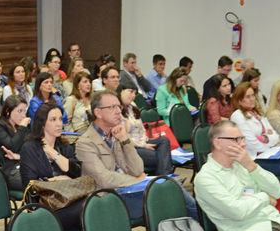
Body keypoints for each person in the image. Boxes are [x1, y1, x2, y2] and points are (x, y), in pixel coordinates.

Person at [76, 90, 198, 224]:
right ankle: (202, 224)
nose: (118, 111)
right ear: (98, 112)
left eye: (118, 107)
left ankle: (196, 227)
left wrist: (125, 141)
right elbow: (105, 179)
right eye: (112, 107)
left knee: (171, 188)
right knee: (169, 192)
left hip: (129, 190)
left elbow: (137, 170)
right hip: (108, 200)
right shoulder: (85, 143)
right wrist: (136, 181)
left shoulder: (117, 134)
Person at [19, 103, 83, 229]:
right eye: (53, 120)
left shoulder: (64, 146)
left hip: (69, 201)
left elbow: (77, 173)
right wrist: (59, 180)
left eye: (60, 119)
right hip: (44, 208)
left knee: (94, 205)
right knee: (89, 208)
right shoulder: (29, 148)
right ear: (42, 123)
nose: (59, 124)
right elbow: (30, 187)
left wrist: (52, 153)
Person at [229, 83, 280, 189]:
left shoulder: (258, 113)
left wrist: (264, 138)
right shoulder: (237, 116)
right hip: (252, 159)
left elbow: (275, 137)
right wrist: (267, 140)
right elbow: (250, 143)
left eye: (253, 95)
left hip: (267, 155)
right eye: (247, 97)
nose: (252, 99)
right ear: (239, 100)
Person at [119, 84, 173, 177]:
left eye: (135, 93)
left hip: (142, 142)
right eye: (131, 92)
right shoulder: (117, 112)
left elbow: (142, 129)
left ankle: (163, 177)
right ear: (121, 91)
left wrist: (143, 141)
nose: (133, 95)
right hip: (130, 148)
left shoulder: (133, 108)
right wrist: (143, 145)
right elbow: (123, 137)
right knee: (162, 157)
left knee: (164, 140)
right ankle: (166, 178)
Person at [0, 95, 31, 191]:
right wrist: (22, 127)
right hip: (8, 170)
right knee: (36, 184)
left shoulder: (20, 127)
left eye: (24, 111)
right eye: (19, 111)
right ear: (8, 111)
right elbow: (12, 146)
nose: (23, 116)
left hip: (23, 165)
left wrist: (19, 156)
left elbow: (31, 148)